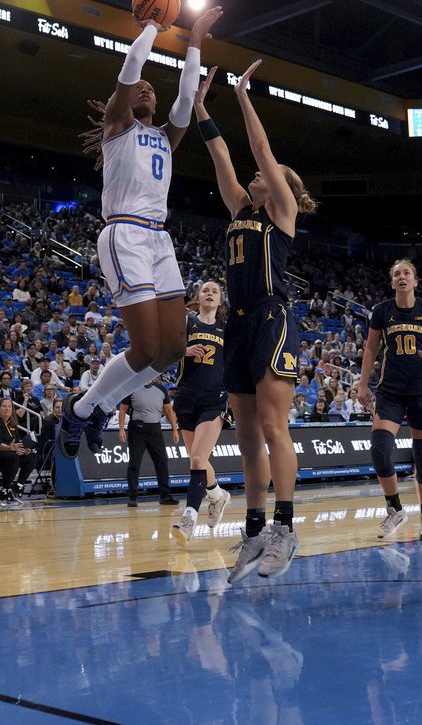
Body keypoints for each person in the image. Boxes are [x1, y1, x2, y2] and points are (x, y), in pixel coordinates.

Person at [56, 5, 223, 458]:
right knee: (145, 346)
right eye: (140, 88)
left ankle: (98, 404)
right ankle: (82, 407)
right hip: (124, 233)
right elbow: (131, 70)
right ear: (126, 100)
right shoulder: (117, 126)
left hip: (158, 239)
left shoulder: (167, 136)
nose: (146, 88)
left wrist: (195, 41)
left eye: (153, 88)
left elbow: (186, 98)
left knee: (172, 349)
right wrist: (153, 25)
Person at [195, 60, 316, 583]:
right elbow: (220, 153)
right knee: (244, 439)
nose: (257, 174)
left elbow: (260, 151)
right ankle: (253, 529)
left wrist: (243, 96)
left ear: (278, 184)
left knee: (272, 427)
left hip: (273, 318)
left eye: (266, 174)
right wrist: (201, 108)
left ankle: (286, 528)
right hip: (237, 324)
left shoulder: (280, 211)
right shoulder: (239, 210)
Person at [353, 259, 422, 541]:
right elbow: (371, 349)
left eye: (406, 273)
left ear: (416, 281)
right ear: (392, 282)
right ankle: (394, 509)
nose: (402, 277)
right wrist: (361, 383)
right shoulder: (382, 311)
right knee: (380, 449)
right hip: (390, 390)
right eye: (397, 274)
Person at [171, 280, 233, 543]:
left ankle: (189, 519)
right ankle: (217, 496)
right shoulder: (186, 321)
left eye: (215, 291)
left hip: (214, 398)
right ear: (197, 297)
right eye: (205, 290)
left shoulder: (226, 329)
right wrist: (184, 351)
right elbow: (166, 352)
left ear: (220, 300)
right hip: (186, 397)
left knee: (197, 459)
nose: (209, 293)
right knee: (199, 460)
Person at [118, 379, 179, 507]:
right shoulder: (133, 387)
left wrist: (175, 430)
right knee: (134, 463)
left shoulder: (161, 389)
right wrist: (121, 429)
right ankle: (133, 497)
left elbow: (168, 410)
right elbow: (123, 410)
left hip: (155, 429)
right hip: (137, 429)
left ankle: (165, 496)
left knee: (162, 461)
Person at [0, 397, 36, 505]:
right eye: (4, 406)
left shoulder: (12, 423)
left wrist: (24, 449)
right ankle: (6, 490)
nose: (7, 409)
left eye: (9, 406)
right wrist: (14, 450)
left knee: (31, 456)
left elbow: (17, 441)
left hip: (10, 452)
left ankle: (18, 486)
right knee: (13, 456)